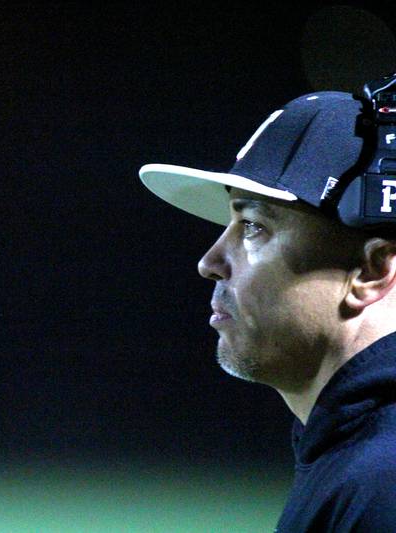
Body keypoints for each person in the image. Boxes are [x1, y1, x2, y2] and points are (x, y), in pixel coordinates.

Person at [138, 90, 396, 531]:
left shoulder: (381, 484)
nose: (209, 263)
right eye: (229, 225)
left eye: (254, 226)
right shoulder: (350, 453)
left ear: (370, 272)